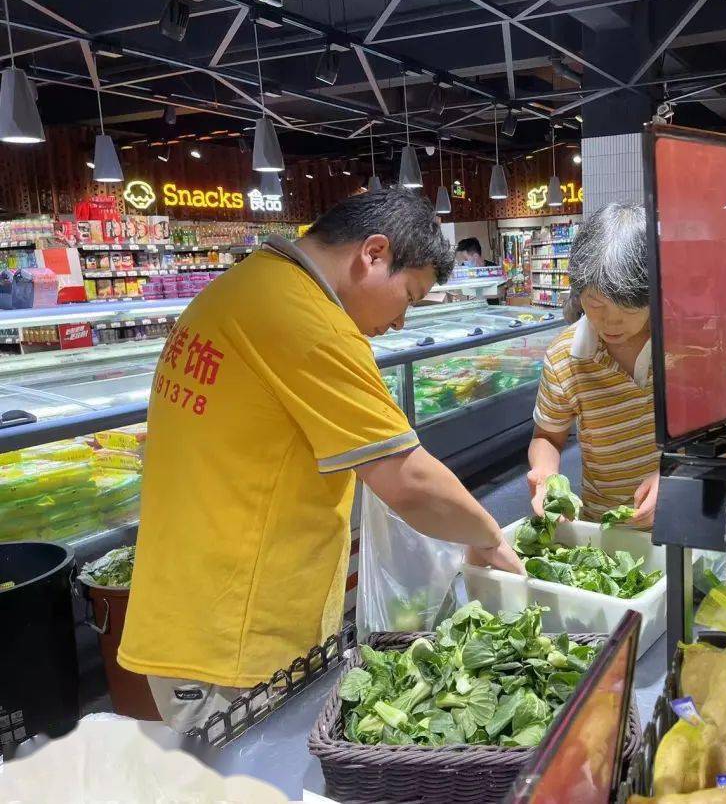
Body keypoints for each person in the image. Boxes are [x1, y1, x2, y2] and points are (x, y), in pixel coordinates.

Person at [118, 189, 523, 733]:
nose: (403, 320)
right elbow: (408, 480)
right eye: (410, 294)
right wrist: (488, 537)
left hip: (192, 610)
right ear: (373, 254)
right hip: (234, 637)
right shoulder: (307, 319)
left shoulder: (246, 285)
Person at [528, 203, 659, 528]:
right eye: (596, 304)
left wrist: (675, 474)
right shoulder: (564, 357)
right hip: (605, 527)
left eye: (628, 308)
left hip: (685, 519)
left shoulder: (687, 342)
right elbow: (547, 437)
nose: (611, 322)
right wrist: (545, 475)